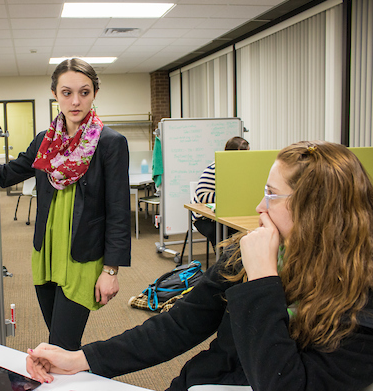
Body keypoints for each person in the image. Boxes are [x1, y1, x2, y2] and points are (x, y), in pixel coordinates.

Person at [26, 140, 373, 391]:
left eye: (271, 194)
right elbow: (179, 324)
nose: (258, 206)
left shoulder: (361, 301)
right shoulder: (249, 253)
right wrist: (82, 358)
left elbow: (283, 383)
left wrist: (263, 282)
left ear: (316, 211)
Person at [0, 58, 131, 351]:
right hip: (47, 253)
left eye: (84, 92)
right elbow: (7, 174)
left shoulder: (109, 142)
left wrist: (111, 270)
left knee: (61, 345)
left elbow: (118, 210)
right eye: (67, 92)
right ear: (55, 94)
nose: (76, 101)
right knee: (60, 341)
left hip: (82, 256)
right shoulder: (46, 140)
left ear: (94, 94)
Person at [192, 136, 250, 250]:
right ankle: (225, 263)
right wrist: (228, 196)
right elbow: (202, 196)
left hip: (230, 214)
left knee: (246, 231)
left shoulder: (242, 168)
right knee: (222, 233)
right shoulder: (215, 168)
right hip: (205, 218)